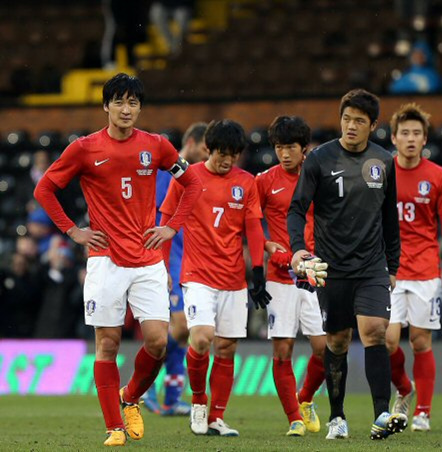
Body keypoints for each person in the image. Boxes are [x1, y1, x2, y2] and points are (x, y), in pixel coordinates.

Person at [33, 73, 202, 446]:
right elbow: (44, 188)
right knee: (107, 343)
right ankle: (114, 427)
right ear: (106, 106)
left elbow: (192, 183)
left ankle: (130, 397)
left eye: (133, 103)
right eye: (120, 102)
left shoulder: (156, 146)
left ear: (140, 108)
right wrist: (72, 230)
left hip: (146, 259)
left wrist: (172, 226)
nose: (127, 110)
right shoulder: (84, 149)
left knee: (158, 341)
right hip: (105, 260)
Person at [288, 89, 406, 440]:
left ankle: (381, 415)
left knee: (375, 332)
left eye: (359, 121)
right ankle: (337, 416)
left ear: (372, 125)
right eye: (346, 119)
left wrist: (393, 265)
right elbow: (296, 209)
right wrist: (298, 250)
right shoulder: (319, 160)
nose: (351, 126)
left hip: (371, 266)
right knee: (336, 343)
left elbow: (390, 218)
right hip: (331, 267)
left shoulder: (384, 162)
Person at [160, 119, 271, 437]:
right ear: (207, 149)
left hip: (234, 279)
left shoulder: (246, 182)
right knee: (202, 337)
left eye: (233, 155)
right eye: (222, 154)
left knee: (227, 348)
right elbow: (167, 223)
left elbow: (253, 228)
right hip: (197, 276)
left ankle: (216, 417)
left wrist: (258, 272)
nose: (227, 161)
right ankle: (198, 403)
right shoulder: (187, 177)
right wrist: (164, 268)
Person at [383, 103, 442, 432]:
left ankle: (423, 411)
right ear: (394, 138)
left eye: (416, 133)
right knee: (388, 340)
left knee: (420, 342)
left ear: (425, 139)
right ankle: (405, 389)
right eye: (404, 133)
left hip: (426, 272)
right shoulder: (383, 173)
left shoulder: (439, 177)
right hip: (389, 271)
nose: (410, 139)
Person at [255, 116, 327, 437]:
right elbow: (252, 224)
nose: (284, 154)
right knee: (282, 350)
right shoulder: (264, 182)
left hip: (316, 273)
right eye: (279, 147)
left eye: (291, 148)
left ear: (304, 149)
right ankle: (294, 418)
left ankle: (306, 397)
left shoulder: (318, 178)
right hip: (279, 275)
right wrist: (268, 246)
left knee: (326, 349)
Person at [142, 122, 208, 416]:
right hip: (168, 258)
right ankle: (147, 386)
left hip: (193, 259)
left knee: (182, 333)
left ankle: (169, 397)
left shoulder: (199, 176)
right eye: (205, 147)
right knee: (178, 327)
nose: (208, 153)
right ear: (191, 142)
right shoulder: (163, 173)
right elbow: (151, 215)